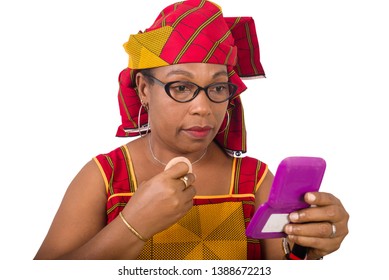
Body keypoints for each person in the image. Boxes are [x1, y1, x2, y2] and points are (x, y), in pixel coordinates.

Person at [34, 0, 349, 260]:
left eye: (217, 88)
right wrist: (132, 225)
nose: (203, 107)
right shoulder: (104, 176)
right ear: (143, 89)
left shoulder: (255, 182)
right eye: (182, 87)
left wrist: (309, 243)